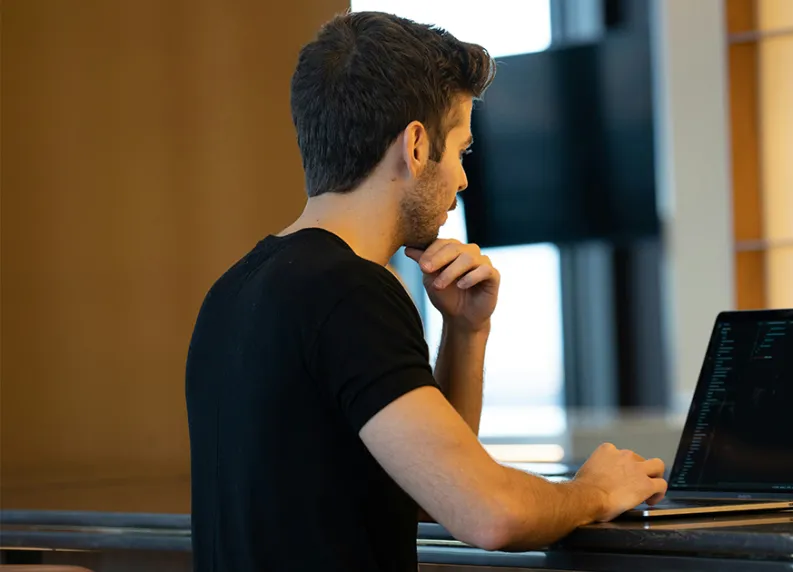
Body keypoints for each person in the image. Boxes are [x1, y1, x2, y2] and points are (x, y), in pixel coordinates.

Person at [184, 10, 668, 572]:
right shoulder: (351, 293)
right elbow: (491, 514)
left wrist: (466, 332)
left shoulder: (236, 288)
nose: (464, 180)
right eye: (461, 151)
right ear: (415, 146)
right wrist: (597, 491)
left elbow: (422, 489)